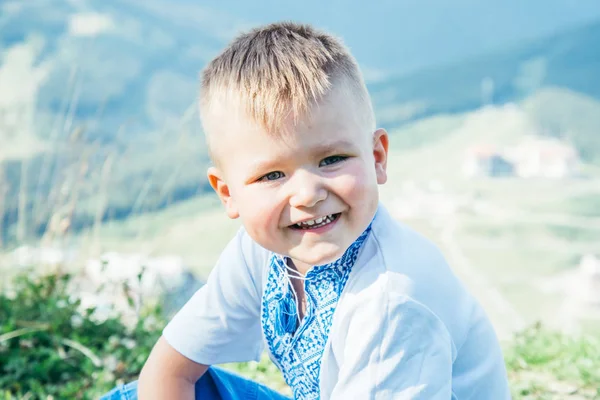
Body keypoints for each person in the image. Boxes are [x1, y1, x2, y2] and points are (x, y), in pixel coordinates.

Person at [102, 22, 511, 399]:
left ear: (377, 157)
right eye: (271, 175)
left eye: (332, 160)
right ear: (228, 194)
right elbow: (169, 371)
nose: (307, 194)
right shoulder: (257, 252)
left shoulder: (392, 303)